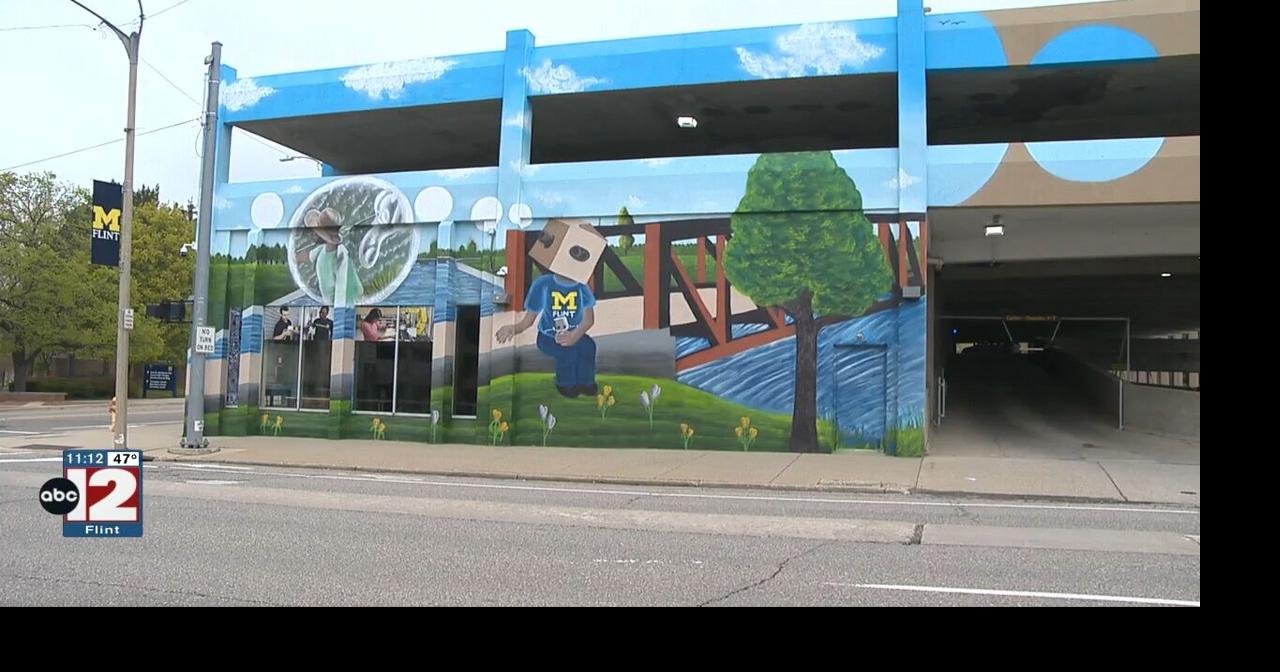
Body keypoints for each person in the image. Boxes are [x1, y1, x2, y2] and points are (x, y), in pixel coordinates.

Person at [496, 271, 597, 398]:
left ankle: (586, 383)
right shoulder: (543, 284)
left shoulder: (582, 286)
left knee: (588, 347)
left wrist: (574, 336)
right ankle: (566, 385)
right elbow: (529, 319)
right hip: (548, 337)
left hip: (576, 334)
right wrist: (515, 328)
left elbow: (589, 320)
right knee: (567, 353)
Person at [294, 207, 364, 308]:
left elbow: (341, 290)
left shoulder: (341, 255)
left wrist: (338, 313)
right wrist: (291, 257)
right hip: (332, 302)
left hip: (350, 302)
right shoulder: (322, 250)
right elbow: (307, 256)